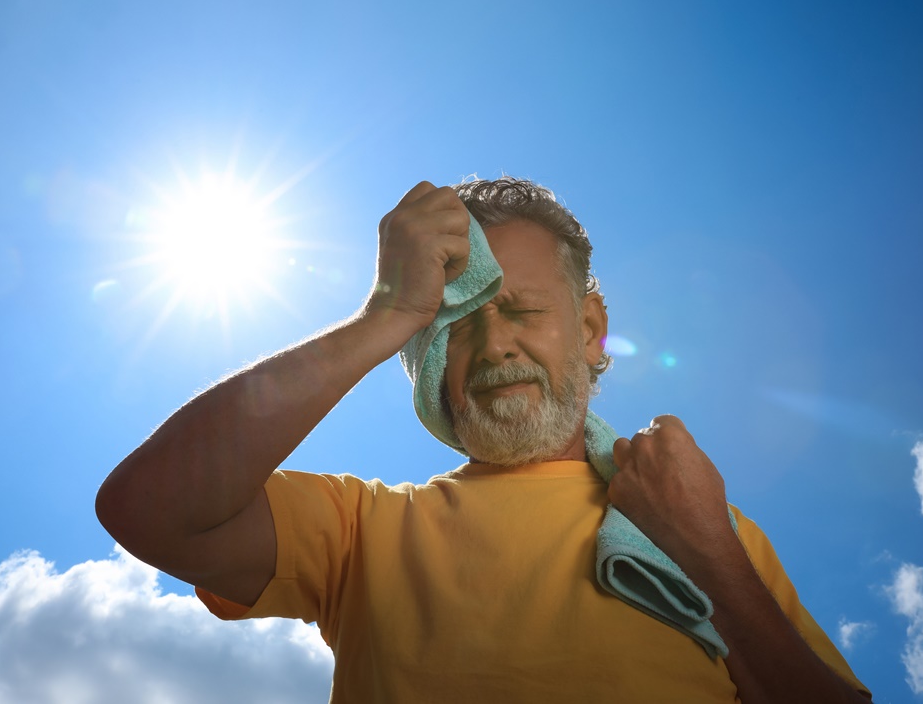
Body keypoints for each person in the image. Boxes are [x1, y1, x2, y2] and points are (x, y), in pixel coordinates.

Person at [96, 178, 873, 703]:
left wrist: (710, 549)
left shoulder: (715, 531)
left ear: (593, 329)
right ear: (422, 359)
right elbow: (150, 511)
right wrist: (388, 314)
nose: (496, 344)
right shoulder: (360, 530)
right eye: (455, 325)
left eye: (524, 310)